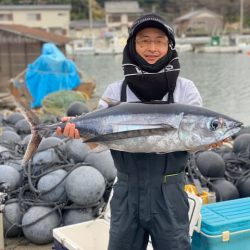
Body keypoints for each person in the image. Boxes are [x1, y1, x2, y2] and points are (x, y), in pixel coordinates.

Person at [57, 13, 223, 250]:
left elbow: (193, 137)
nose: (152, 47)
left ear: (170, 46)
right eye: (144, 40)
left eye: (159, 41)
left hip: (170, 194)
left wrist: (210, 140)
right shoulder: (116, 90)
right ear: (133, 46)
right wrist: (77, 129)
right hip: (126, 192)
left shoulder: (185, 89)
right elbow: (99, 140)